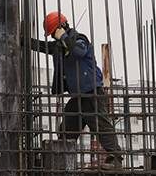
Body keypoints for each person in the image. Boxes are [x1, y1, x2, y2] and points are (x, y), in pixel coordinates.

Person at [30, 11, 123, 166]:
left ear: (61, 28)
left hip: (91, 92)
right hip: (78, 96)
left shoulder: (80, 39)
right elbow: (42, 46)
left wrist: (64, 37)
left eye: (53, 32)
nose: (53, 36)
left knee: (100, 124)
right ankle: (62, 160)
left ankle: (116, 159)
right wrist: (23, 40)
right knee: (67, 127)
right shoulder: (60, 45)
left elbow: (79, 52)